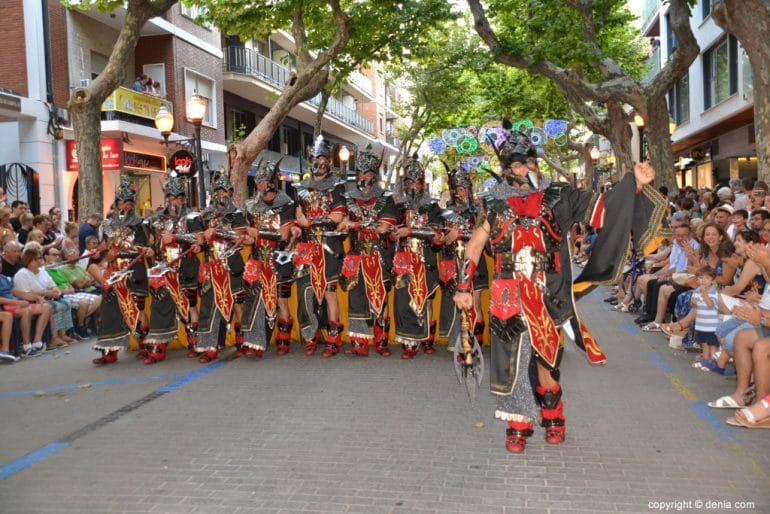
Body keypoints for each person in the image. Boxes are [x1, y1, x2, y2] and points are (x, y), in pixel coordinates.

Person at [453, 128, 664, 453]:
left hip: (549, 289)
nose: (523, 169)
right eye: (516, 164)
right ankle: (518, 422)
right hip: (508, 290)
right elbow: (475, 246)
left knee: (546, 358)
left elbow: (604, 208)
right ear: (507, 166)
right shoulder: (492, 202)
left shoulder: (560, 196)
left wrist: (632, 183)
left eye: (528, 163)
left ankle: (554, 412)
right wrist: (464, 286)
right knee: (511, 359)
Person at [337, 146, 397, 357]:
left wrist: (354, 225)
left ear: (374, 175)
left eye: (368, 173)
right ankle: (358, 340)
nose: (364, 176)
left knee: (380, 294)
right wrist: (347, 225)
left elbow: (384, 226)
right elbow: (340, 224)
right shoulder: (348, 197)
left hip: (379, 253)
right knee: (356, 295)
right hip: (356, 253)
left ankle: (381, 341)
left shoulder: (386, 198)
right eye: (361, 173)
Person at [293, 136, 348, 358]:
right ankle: (310, 335)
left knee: (329, 293)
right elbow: (297, 217)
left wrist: (308, 222)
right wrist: (299, 227)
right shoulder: (302, 187)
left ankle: (333, 338)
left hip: (329, 246)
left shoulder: (337, 186)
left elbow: (337, 216)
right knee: (306, 292)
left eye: (321, 157)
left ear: (328, 161)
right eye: (314, 157)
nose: (317, 162)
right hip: (307, 247)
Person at [92, 177, 153, 365]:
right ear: (116, 203)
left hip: (134, 269)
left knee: (137, 308)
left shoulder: (141, 223)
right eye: (121, 202)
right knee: (110, 310)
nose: (124, 206)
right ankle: (110, 350)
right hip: (113, 271)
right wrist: (100, 251)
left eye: (127, 203)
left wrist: (117, 251)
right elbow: (104, 247)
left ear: (132, 204)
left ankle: (144, 345)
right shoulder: (107, 225)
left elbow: (141, 247)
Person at [239, 159, 296, 357]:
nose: (259, 185)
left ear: (272, 182)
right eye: (258, 181)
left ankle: (283, 338)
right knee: (254, 299)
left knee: (281, 300)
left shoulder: (287, 203)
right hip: (257, 257)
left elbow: (283, 235)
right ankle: (254, 342)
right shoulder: (252, 205)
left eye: (262, 181)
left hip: (279, 258)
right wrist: (246, 238)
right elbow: (249, 237)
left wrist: (258, 233)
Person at [190, 171, 249, 363]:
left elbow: (241, 238)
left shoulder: (237, 213)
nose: (221, 195)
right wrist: (201, 239)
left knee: (238, 304)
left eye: (225, 192)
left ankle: (243, 341)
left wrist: (219, 232)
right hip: (211, 264)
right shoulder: (203, 215)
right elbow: (198, 238)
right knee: (209, 305)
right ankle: (210, 346)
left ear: (231, 193)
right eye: (218, 191)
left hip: (232, 263)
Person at [390, 153, 443, 359]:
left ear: (424, 183)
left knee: (427, 297)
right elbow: (390, 229)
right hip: (404, 258)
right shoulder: (398, 206)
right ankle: (409, 342)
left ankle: (427, 339)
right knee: (404, 299)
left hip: (425, 257)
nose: (413, 186)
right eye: (409, 182)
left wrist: (410, 231)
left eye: (417, 182)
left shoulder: (433, 206)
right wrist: (394, 233)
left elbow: (436, 233)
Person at [145, 176, 198, 364]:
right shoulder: (156, 220)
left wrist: (175, 237)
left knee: (189, 304)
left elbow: (198, 241)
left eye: (180, 198)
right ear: (167, 198)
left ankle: (195, 342)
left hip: (186, 266)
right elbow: (153, 244)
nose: (177, 201)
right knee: (160, 305)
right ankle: (157, 347)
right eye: (173, 198)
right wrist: (153, 248)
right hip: (165, 267)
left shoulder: (192, 217)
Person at [437, 162, 489, 350]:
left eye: (465, 188)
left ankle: (475, 343)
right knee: (456, 304)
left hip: (475, 261)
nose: (463, 193)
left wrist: (459, 233)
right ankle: (458, 342)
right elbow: (440, 237)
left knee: (474, 303)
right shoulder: (444, 212)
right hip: (453, 261)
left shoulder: (480, 209)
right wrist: (440, 238)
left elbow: (483, 235)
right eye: (459, 189)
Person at [12, 243, 72, 348]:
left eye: (40, 258)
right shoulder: (22, 274)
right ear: (28, 260)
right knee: (53, 306)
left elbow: (52, 285)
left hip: (45, 297)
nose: (40, 261)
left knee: (65, 303)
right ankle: (53, 337)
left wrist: (56, 291)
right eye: (36, 259)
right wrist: (46, 293)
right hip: (31, 301)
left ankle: (62, 333)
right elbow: (24, 294)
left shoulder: (42, 271)